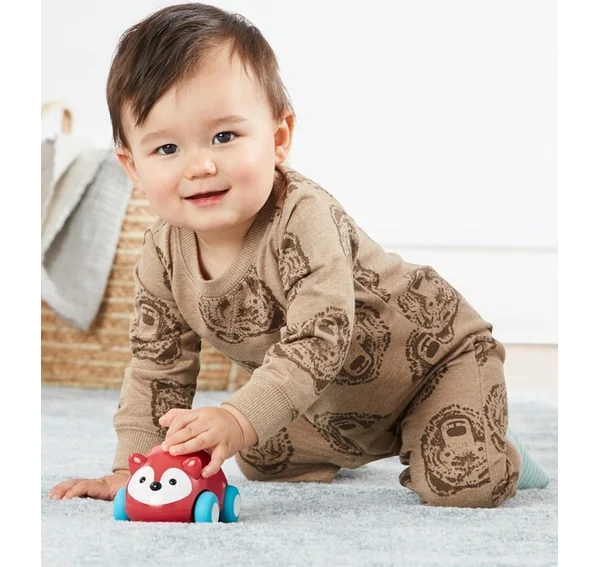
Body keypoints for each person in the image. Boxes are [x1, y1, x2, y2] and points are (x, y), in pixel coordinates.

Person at [50, 2, 549, 508]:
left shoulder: (301, 217)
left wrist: (239, 416)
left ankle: (495, 446)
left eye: (224, 137)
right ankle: (368, 442)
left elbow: (319, 338)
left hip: (433, 366)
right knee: (260, 455)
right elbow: (157, 365)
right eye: (167, 149)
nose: (200, 166)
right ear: (132, 168)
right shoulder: (162, 254)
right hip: (332, 406)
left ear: (278, 139)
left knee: (459, 485)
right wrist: (132, 469)